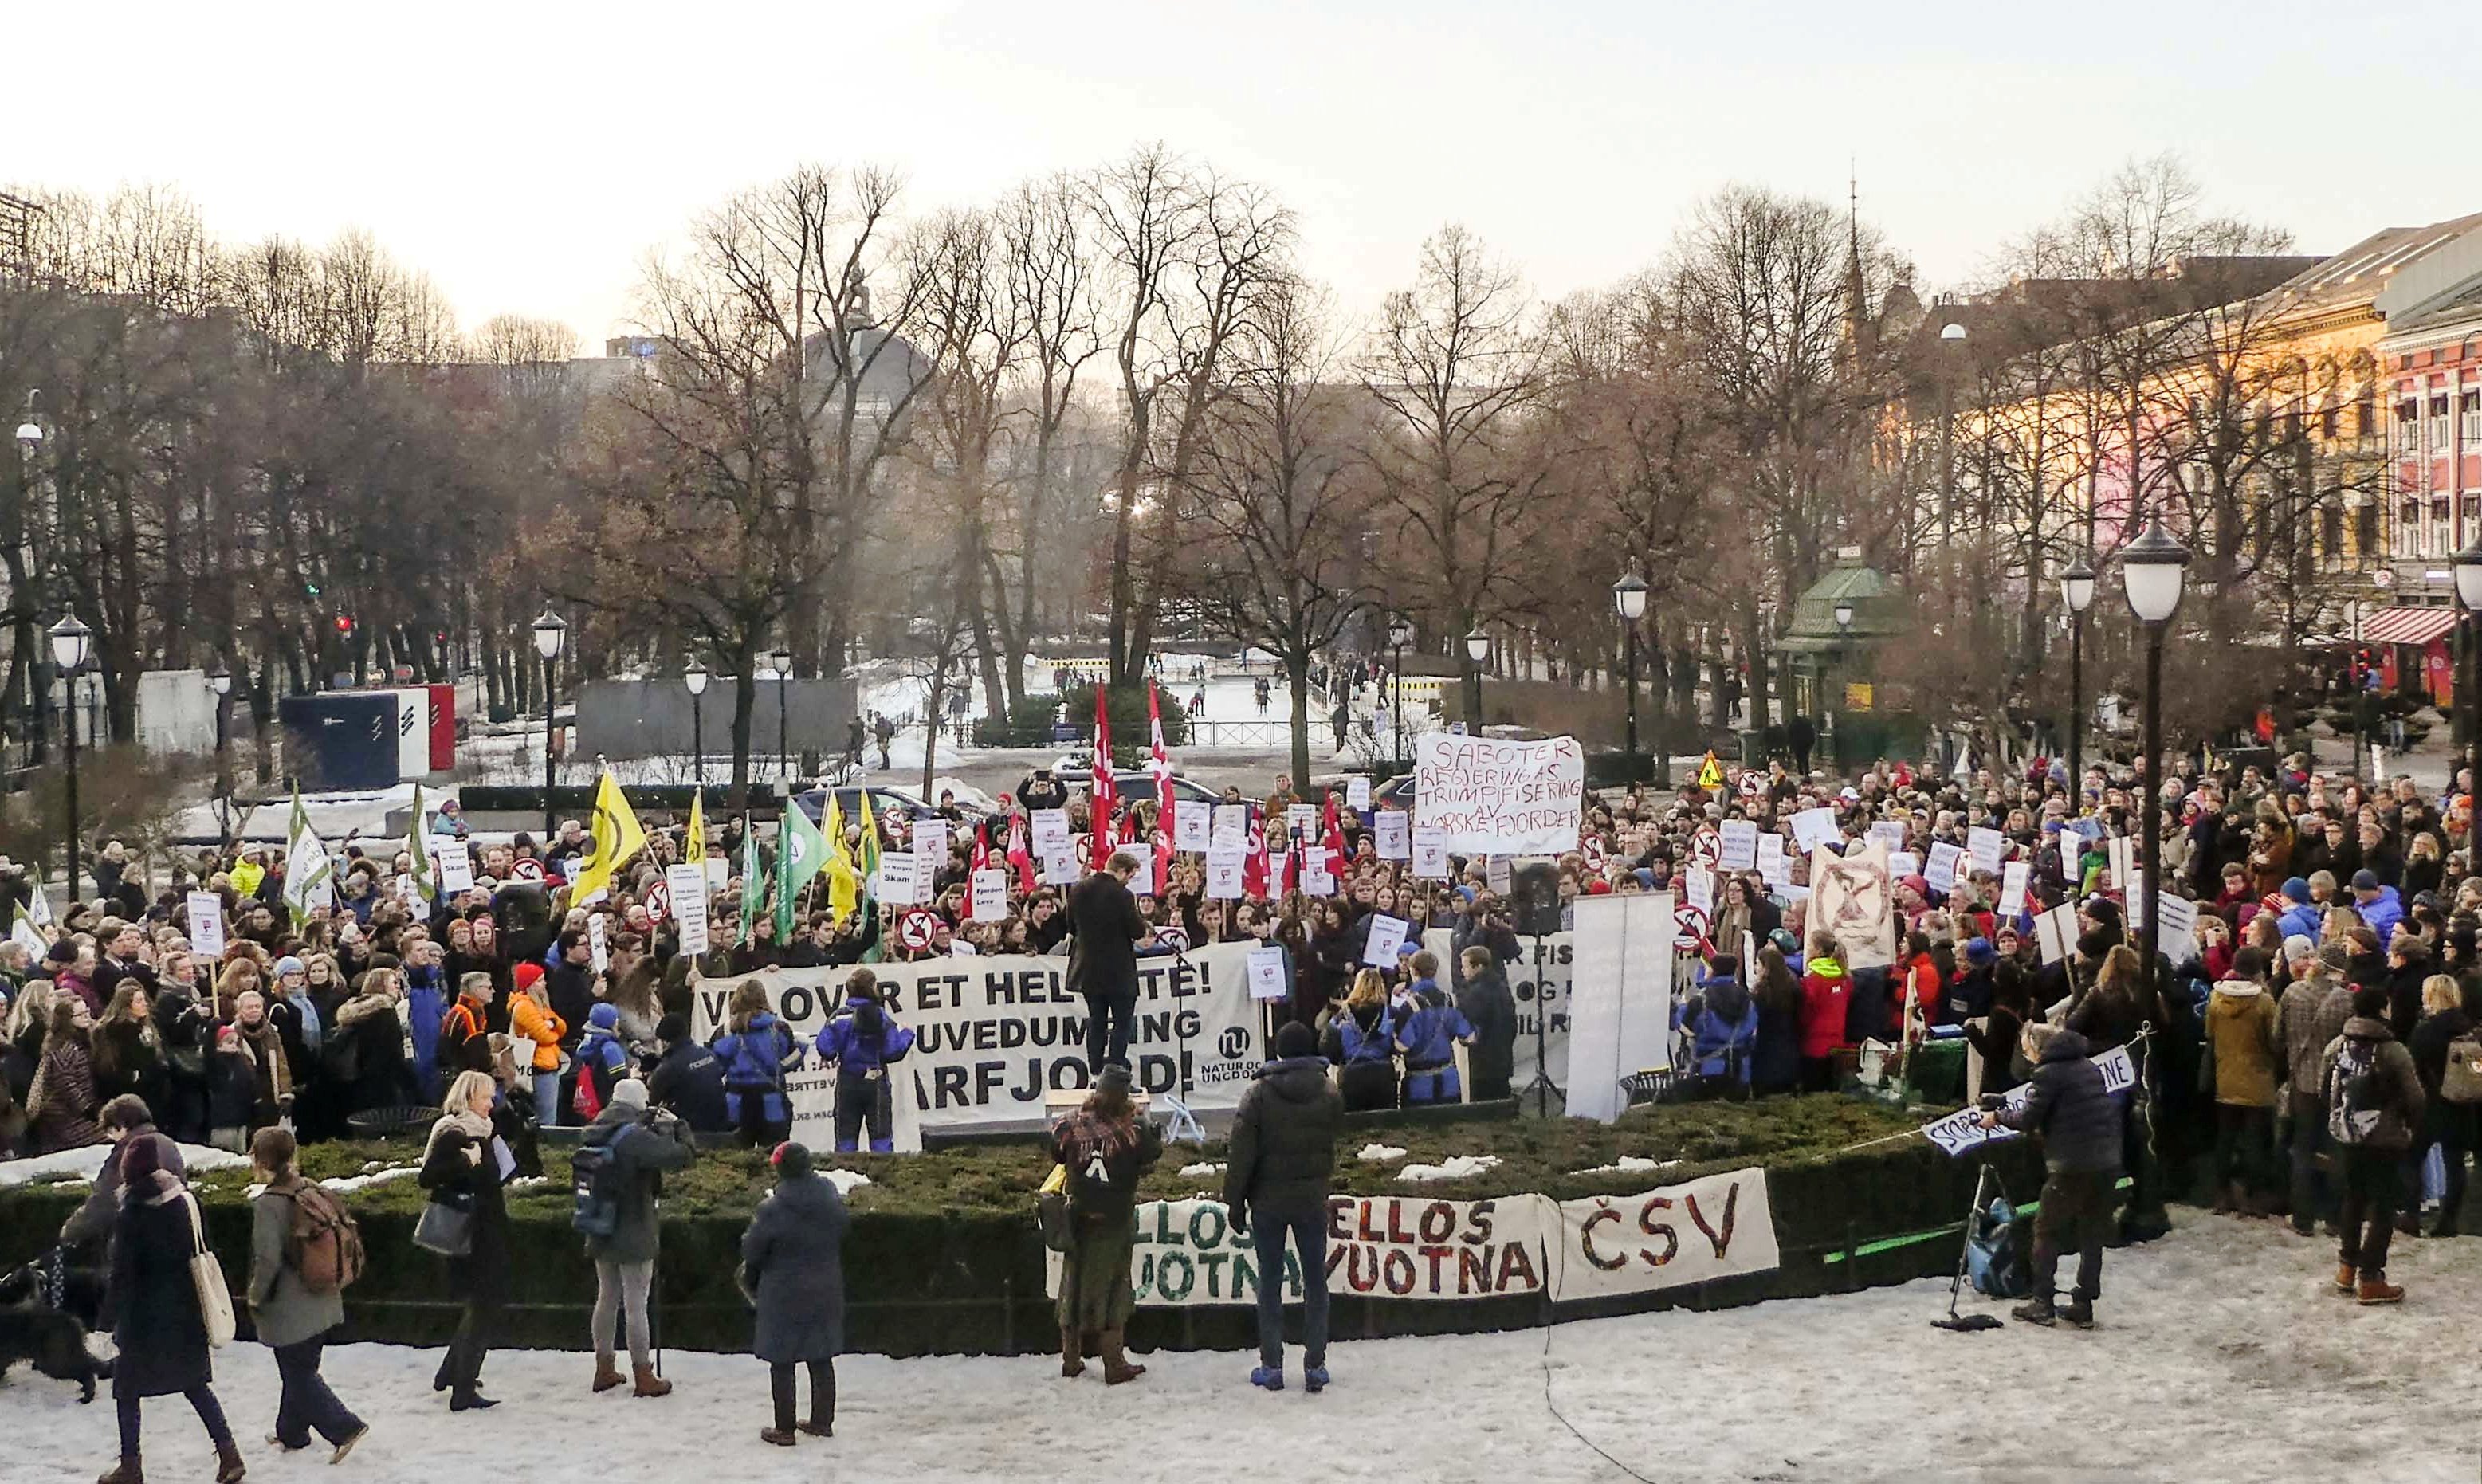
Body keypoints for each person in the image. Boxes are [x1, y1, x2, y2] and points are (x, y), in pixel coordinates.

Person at [103, 1134, 245, 1484]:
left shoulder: (131, 1214)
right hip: (186, 1310)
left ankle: (131, 1466)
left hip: (143, 1320)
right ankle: (229, 1454)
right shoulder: (185, 1201)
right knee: (195, 1384)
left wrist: (104, 1321)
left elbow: (123, 1274)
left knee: (126, 1391)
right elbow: (203, 1247)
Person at [1225, 1020, 1341, 1392]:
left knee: (1270, 1279)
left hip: (1268, 1201)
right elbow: (1332, 1142)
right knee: (1315, 1281)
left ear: (1278, 1050)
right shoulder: (1328, 1091)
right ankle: (1316, 1365)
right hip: (1311, 1199)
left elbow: (1241, 1154)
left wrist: (1235, 1201)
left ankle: (1272, 1365)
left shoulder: (1257, 1094)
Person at [1984, 1023, 2122, 1329]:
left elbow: (2028, 1119)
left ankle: (2042, 1302)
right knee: (2091, 1233)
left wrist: (1996, 1117)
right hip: (2106, 1161)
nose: (2025, 1054)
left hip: (2072, 1165)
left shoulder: (2048, 1074)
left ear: (2038, 1046)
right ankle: (2084, 1303)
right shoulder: (2087, 1066)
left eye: (2025, 1048)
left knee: (2046, 1230)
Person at [245, 1128, 367, 1462]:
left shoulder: (269, 1204)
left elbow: (267, 1259)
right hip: (324, 1296)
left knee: (298, 1374)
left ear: (260, 1159)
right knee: (302, 1368)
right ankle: (292, 1432)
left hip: (290, 1306)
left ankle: (344, 1427)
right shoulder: (310, 1189)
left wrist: (255, 1297)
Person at [579, 1078, 695, 1399]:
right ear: (639, 1103)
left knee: (606, 1297)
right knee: (635, 1304)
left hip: (600, 1222)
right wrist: (679, 1126)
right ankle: (644, 1375)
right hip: (633, 1225)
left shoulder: (595, 1129)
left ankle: (604, 1367)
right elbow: (681, 1157)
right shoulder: (634, 1137)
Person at [1049, 1062, 1161, 1384]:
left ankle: (1070, 1359)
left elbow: (1055, 1154)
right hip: (1114, 1220)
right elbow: (1151, 1156)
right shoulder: (1133, 1130)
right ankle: (1114, 1363)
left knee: (1072, 1283)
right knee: (1114, 1289)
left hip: (1077, 1218)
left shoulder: (1069, 1126)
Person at [418, 1070, 516, 1409]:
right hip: (473, 1234)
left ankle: (451, 1373)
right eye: (487, 1097)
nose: (492, 1103)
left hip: (487, 1228)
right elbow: (427, 1177)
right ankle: (462, 1388)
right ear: (469, 1098)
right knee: (485, 1304)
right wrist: (464, 1159)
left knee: (482, 1303)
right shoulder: (455, 1133)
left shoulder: (484, 1130)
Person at [741, 1140, 848, 1447]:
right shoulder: (829, 1196)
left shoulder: (772, 1208)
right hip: (826, 1286)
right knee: (821, 1356)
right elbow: (844, 1227)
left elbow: (752, 1249)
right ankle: (821, 1421)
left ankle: (784, 1429)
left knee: (782, 1359)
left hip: (783, 1290)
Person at [2328, 985, 2424, 1304]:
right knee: (2383, 1205)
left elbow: (2322, 1084)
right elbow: (2416, 1097)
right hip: (2384, 1136)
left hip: (2347, 1133)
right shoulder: (2393, 1050)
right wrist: (2409, 1126)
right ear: (2383, 1010)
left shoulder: (2339, 1044)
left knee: (2352, 1199)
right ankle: (2371, 1278)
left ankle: (2346, 1267)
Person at [2205, 945, 2281, 1215]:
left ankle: (2222, 1195)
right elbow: (2274, 1041)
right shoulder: (2264, 1002)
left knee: (2225, 1140)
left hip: (2225, 1078)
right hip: (2258, 1080)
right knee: (2255, 1143)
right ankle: (2256, 1198)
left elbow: (2211, 1035)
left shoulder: (2216, 998)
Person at [1065, 850, 1157, 1072]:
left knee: (1096, 1022)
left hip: (1088, 970)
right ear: (1121, 871)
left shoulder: (1078, 889)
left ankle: (1095, 1072)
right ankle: (1114, 1073)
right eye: (1130, 876)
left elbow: (1069, 925)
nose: (1129, 881)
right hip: (1118, 971)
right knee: (1122, 1024)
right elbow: (1135, 930)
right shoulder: (1123, 895)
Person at [815, 970, 916, 1153]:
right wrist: (907, 1034)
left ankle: (846, 1176)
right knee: (881, 1139)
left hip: (848, 1082)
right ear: (872, 988)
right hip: (876, 1082)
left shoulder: (838, 1017)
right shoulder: (881, 1016)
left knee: (845, 1138)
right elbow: (893, 1051)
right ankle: (883, 1178)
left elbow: (826, 1049)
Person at [2405, 973, 2474, 1237]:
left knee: (2412, 1158)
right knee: (2454, 1162)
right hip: (2461, 1101)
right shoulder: (2467, 1027)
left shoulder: (2426, 1031)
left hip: (2429, 1102)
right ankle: (2449, 1220)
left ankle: (2412, 1215)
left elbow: (2413, 1066)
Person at [711, 980, 801, 1148]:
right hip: (772, 1101)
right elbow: (792, 1061)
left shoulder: (725, 1031)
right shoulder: (779, 1028)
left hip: (736, 1103)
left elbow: (716, 1068)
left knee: (737, 1161)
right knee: (775, 1159)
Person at [1392, 950, 1473, 1105]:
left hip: (1419, 1087)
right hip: (1449, 1083)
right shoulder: (1450, 1000)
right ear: (1435, 971)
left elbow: (1402, 1046)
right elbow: (1468, 1037)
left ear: (1413, 971)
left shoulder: (1410, 1006)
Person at [1320, 969, 1399, 1113]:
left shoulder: (1341, 1017)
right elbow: (1399, 1044)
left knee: (1354, 1126)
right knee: (1386, 1125)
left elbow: (1329, 1050)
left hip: (1352, 1075)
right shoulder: (1392, 1014)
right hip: (1383, 1075)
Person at [646, 1014, 729, 1133]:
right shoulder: (708, 1054)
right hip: (721, 1124)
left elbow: (652, 1102)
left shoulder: (669, 1067)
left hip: (692, 1131)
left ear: (665, 1041)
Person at [1452, 944, 1516, 1102]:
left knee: (1483, 1110)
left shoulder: (1476, 993)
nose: (1462, 971)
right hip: (1503, 1060)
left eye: (1465, 966)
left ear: (1479, 966)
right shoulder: (1502, 987)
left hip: (1483, 1064)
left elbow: (1468, 1026)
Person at [1797, 932, 1851, 1093]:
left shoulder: (1811, 982)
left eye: (1810, 946)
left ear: (1818, 950)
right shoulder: (1844, 978)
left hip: (1814, 1045)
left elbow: (1805, 1015)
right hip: (1837, 1044)